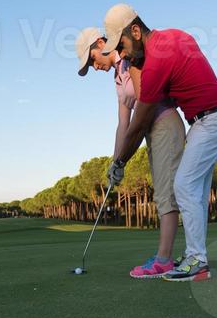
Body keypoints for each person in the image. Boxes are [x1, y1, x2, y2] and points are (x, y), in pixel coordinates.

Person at [103, 5, 217, 282]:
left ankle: (196, 260)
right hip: (206, 120)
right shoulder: (175, 35)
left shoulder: (156, 63)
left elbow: (137, 126)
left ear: (136, 31)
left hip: (211, 120)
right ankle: (196, 258)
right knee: (195, 192)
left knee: (183, 185)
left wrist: (120, 162)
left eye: (123, 44)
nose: (123, 53)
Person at [75, 26, 185, 278]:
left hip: (165, 124)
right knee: (162, 190)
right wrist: (116, 163)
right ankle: (167, 257)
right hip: (148, 132)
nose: (94, 66)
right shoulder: (117, 77)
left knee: (166, 192)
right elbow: (123, 124)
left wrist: (125, 156)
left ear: (101, 43)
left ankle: (164, 260)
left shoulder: (132, 59)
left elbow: (145, 105)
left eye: (92, 59)